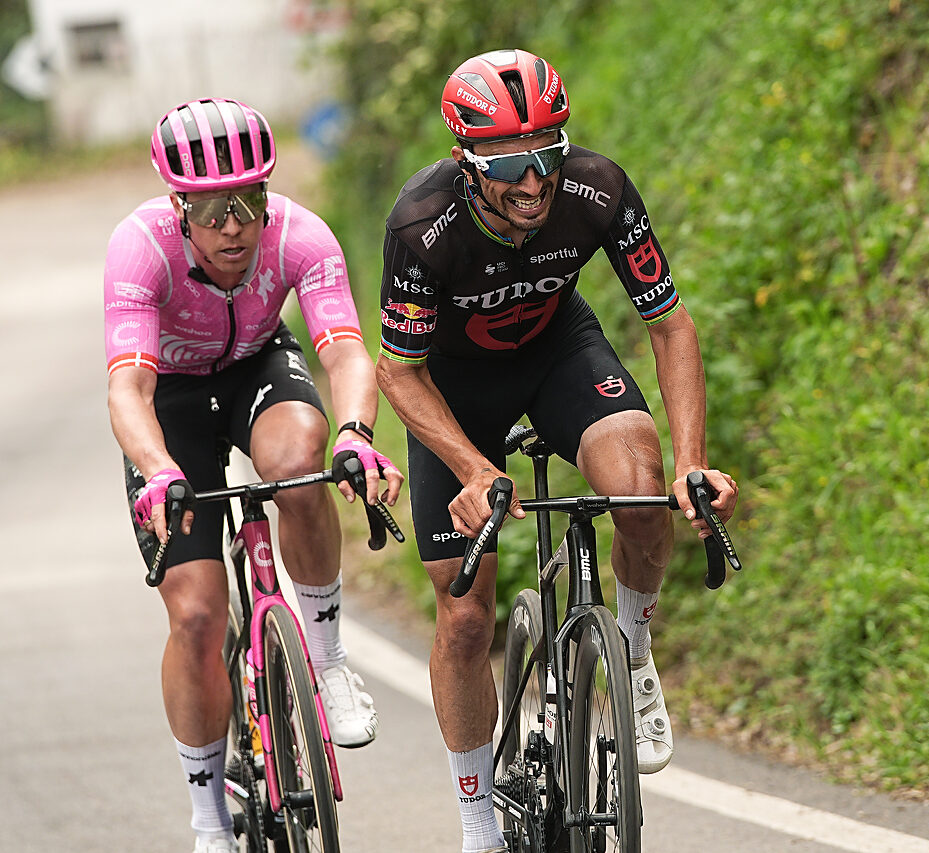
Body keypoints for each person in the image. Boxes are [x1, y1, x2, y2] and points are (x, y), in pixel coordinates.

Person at [374, 50, 739, 853]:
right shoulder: (421, 223)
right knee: (466, 617)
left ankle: (633, 659)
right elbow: (397, 371)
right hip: (452, 393)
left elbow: (670, 324)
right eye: (509, 166)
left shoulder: (597, 188)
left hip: (556, 355)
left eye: (547, 155)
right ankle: (478, 827)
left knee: (643, 494)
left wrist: (691, 461)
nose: (535, 184)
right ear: (467, 162)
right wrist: (473, 468)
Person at [105, 97, 403, 853]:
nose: (235, 223)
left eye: (250, 201)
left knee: (301, 461)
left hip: (258, 367)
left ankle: (329, 665)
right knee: (199, 617)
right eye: (212, 208)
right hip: (171, 397)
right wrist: (158, 468)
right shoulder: (139, 248)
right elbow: (127, 389)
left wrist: (357, 434)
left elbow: (343, 350)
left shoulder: (300, 235)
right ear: (180, 207)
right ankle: (208, 816)